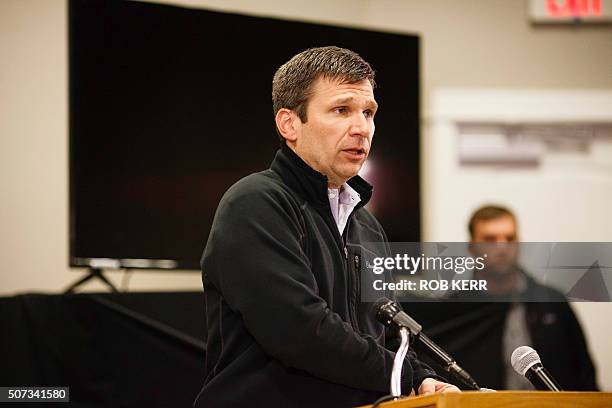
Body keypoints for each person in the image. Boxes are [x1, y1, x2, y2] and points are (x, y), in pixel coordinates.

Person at [194, 46, 458, 407]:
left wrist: (426, 378)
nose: (361, 128)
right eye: (341, 110)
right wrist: (405, 376)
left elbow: (388, 336)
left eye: (368, 112)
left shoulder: (367, 226)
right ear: (289, 123)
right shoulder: (254, 203)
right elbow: (299, 332)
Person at [468, 205, 598, 390]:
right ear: (472, 247)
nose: (502, 247)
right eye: (490, 239)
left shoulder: (551, 302)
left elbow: (584, 375)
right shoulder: (456, 308)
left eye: (510, 238)